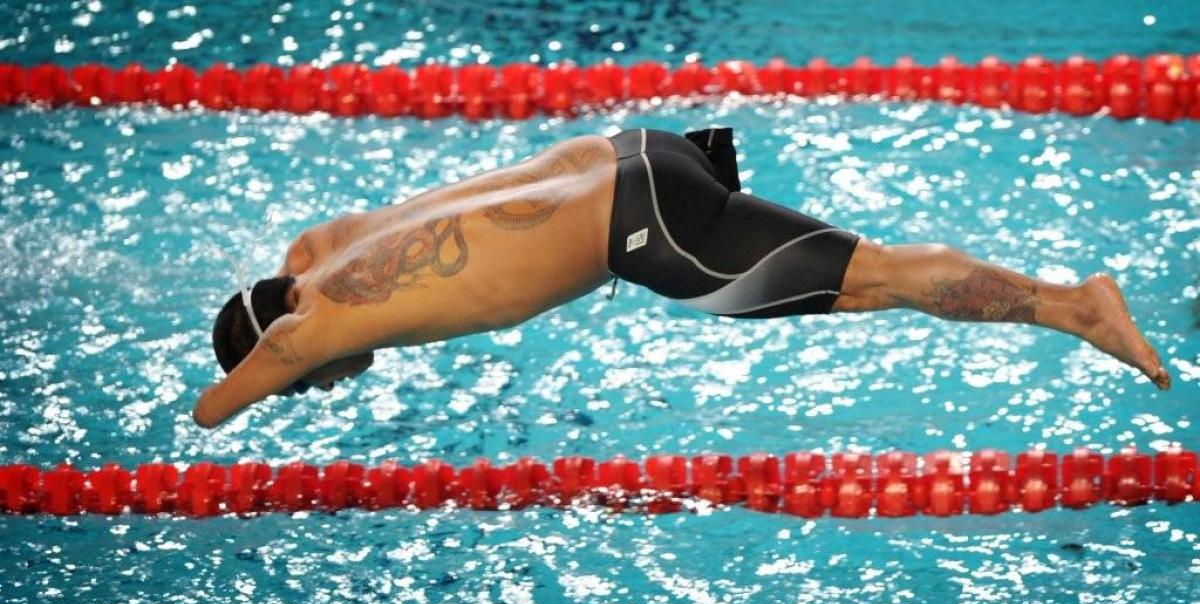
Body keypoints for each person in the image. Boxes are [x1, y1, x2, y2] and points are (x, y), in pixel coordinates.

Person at [193, 128, 1170, 429]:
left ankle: (1074, 305)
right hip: (643, 152)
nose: (325, 382)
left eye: (312, 383)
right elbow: (297, 259)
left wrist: (272, 361)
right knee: (861, 275)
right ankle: (1071, 305)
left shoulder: (316, 317)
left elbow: (215, 407)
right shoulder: (338, 243)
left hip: (642, 225)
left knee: (872, 281)